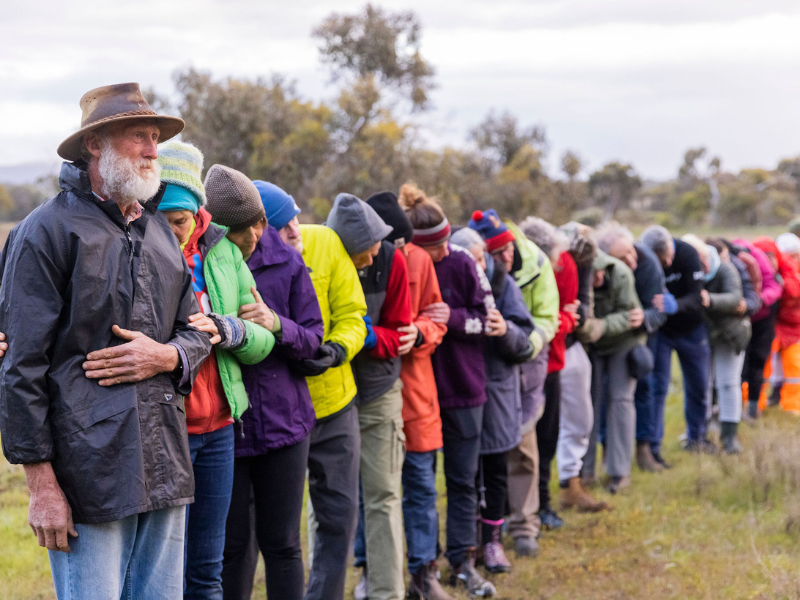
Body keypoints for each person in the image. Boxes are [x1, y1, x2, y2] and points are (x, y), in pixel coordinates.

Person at [0, 83, 212, 599]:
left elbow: (198, 331)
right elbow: (19, 366)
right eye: (139, 136)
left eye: (155, 138)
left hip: (165, 463)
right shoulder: (44, 232)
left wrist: (168, 354)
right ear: (95, 144)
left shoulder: (161, 232)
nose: (152, 150)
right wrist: (42, 486)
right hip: (87, 475)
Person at [156, 145, 276, 599]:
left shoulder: (224, 254)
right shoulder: (142, 254)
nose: (172, 234)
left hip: (220, 430)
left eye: (180, 222)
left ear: (198, 212)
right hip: (169, 431)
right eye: (160, 221)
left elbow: (263, 337)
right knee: (166, 566)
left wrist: (232, 330)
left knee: (208, 567)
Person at [211, 178, 323, 600]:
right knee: (233, 548)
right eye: (242, 228)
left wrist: (277, 324)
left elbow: (314, 340)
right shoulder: (208, 262)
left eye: (259, 223)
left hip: (286, 428)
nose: (253, 236)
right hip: (229, 429)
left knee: (283, 544)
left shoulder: (289, 264)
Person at [400, 184, 496, 597]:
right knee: (419, 483)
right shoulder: (407, 263)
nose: (442, 251)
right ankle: (425, 563)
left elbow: (486, 319)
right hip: (419, 392)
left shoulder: (461, 262)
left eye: (445, 242)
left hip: (464, 389)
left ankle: (463, 560)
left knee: (462, 480)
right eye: (434, 245)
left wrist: (452, 318)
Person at [326, 193, 411, 600]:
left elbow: (401, 331)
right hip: (329, 396)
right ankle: (323, 590)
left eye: (379, 241)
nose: (376, 249)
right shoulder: (321, 258)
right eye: (368, 245)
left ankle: (386, 593)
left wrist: (369, 337)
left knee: (383, 497)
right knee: (327, 503)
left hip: (378, 391)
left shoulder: (391, 260)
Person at [371, 192, 451, 600]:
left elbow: (438, 316)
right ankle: (370, 570)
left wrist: (419, 332)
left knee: (420, 486)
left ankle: (424, 573)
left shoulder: (419, 260)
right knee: (372, 489)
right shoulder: (363, 258)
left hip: (416, 394)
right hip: (372, 392)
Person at [452, 226, 535, 574]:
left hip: (498, 393)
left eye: (480, 258)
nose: (477, 265)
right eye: (470, 259)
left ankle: (493, 542)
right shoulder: (449, 286)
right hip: (461, 393)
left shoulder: (505, 287)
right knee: (464, 475)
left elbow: (526, 341)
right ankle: (466, 544)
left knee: (496, 471)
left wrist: (507, 331)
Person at [302, 201, 369, 600]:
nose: (293, 230)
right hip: (281, 412)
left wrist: (337, 350)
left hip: (337, 405)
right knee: (273, 528)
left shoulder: (326, 243)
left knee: (339, 516)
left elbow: (352, 315)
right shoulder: (237, 251)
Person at [494, 216, 560, 539]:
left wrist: (527, 345)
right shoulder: (473, 264)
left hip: (529, 357)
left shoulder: (536, 261)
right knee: (490, 448)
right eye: (497, 252)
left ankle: (524, 526)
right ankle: (493, 521)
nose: (505, 257)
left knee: (524, 441)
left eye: (507, 249)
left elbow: (549, 316)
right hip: (489, 362)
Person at [596, 222, 671, 473]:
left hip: (640, 336)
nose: (632, 260)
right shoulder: (600, 270)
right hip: (607, 337)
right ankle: (608, 449)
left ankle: (644, 448)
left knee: (645, 388)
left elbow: (660, 310)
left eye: (631, 252)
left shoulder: (648, 264)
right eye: (622, 257)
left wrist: (646, 317)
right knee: (607, 393)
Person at [640, 225, 712, 457]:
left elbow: (697, 297)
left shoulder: (688, 253)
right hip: (661, 332)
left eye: (669, 256)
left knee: (699, 385)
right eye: (663, 261)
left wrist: (676, 305)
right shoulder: (645, 261)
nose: (668, 263)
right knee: (657, 388)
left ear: (672, 246)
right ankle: (653, 447)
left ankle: (697, 438)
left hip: (692, 329)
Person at [554, 222, 609, 507]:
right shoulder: (546, 256)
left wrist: (582, 317)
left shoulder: (585, 257)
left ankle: (570, 484)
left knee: (580, 417)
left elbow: (584, 301)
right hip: (544, 345)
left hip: (572, 344)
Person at [683, 236, 751, 453]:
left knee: (728, 383)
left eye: (700, 257)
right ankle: (697, 433)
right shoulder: (689, 273)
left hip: (730, 335)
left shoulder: (725, 269)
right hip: (702, 336)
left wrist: (709, 299)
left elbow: (735, 298)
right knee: (702, 384)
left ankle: (729, 436)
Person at [586, 248, 646, 493]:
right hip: (590, 345)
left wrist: (602, 325)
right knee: (588, 404)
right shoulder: (576, 279)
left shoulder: (620, 274)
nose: (598, 278)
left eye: (600, 272)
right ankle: (585, 472)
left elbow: (631, 315)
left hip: (623, 342)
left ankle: (619, 472)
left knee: (621, 400)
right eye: (592, 274)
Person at [735, 238, 781, 418]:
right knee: (739, 364)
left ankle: (753, 409)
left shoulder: (758, 259)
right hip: (736, 318)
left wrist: (759, 300)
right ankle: (735, 408)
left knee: (758, 359)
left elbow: (773, 286)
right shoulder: (728, 261)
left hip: (762, 317)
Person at [755, 234, 800, 415]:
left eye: (797, 256)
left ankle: (792, 405)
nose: (795, 260)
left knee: (794, 367)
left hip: (793, 328)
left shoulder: (791, 274)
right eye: (791, 256)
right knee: (762, 364)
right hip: (771, 327)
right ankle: (755, 402)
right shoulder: (771, 272)